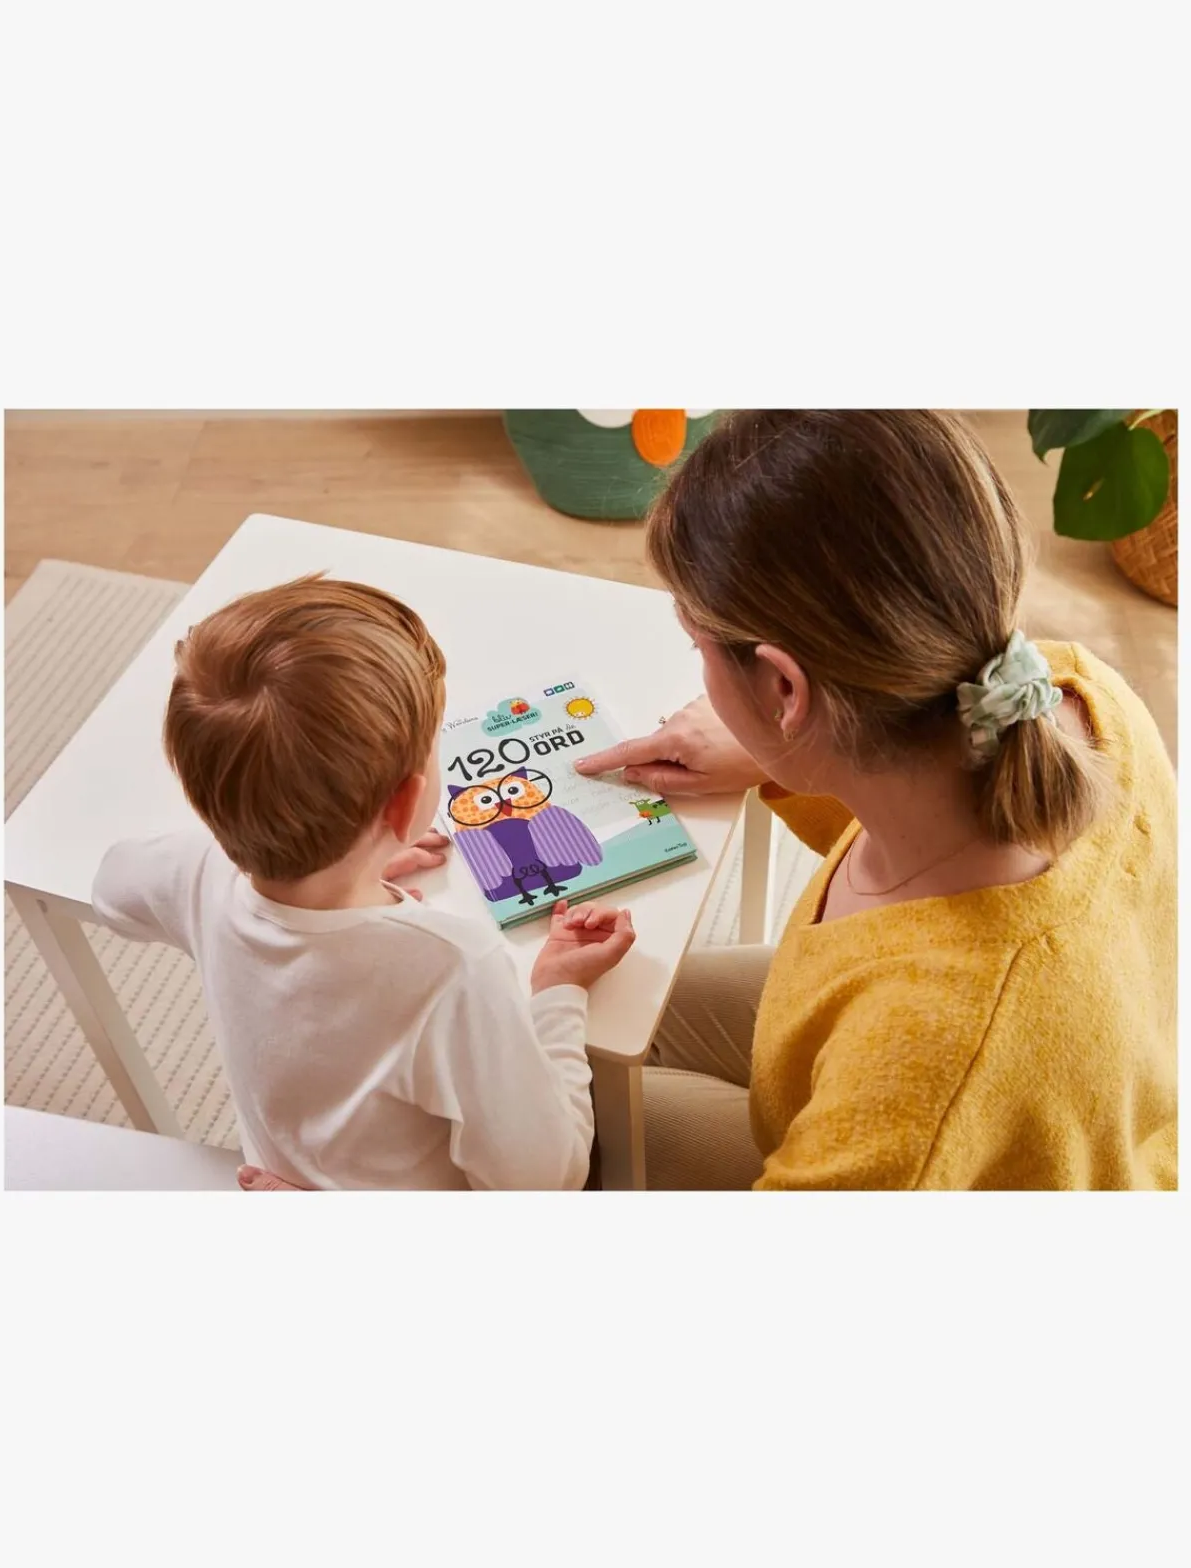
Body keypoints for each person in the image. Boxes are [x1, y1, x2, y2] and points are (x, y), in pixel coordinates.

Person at [576, 409, 1177, 1190]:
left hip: (935, 1121)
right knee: (593, 1014)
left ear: (786, 688)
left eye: (700, 647)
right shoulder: (1068, 690)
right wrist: (771, 752)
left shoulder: (928, 1067)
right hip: (1022, 1092)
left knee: (553, 1111)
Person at [92, 576, 634, 1190]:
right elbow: (543, 1181)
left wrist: (336, 859)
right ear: (403, 807)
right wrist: (557, 994)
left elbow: (109, 888)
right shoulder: (452, 966)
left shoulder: (198, 874)